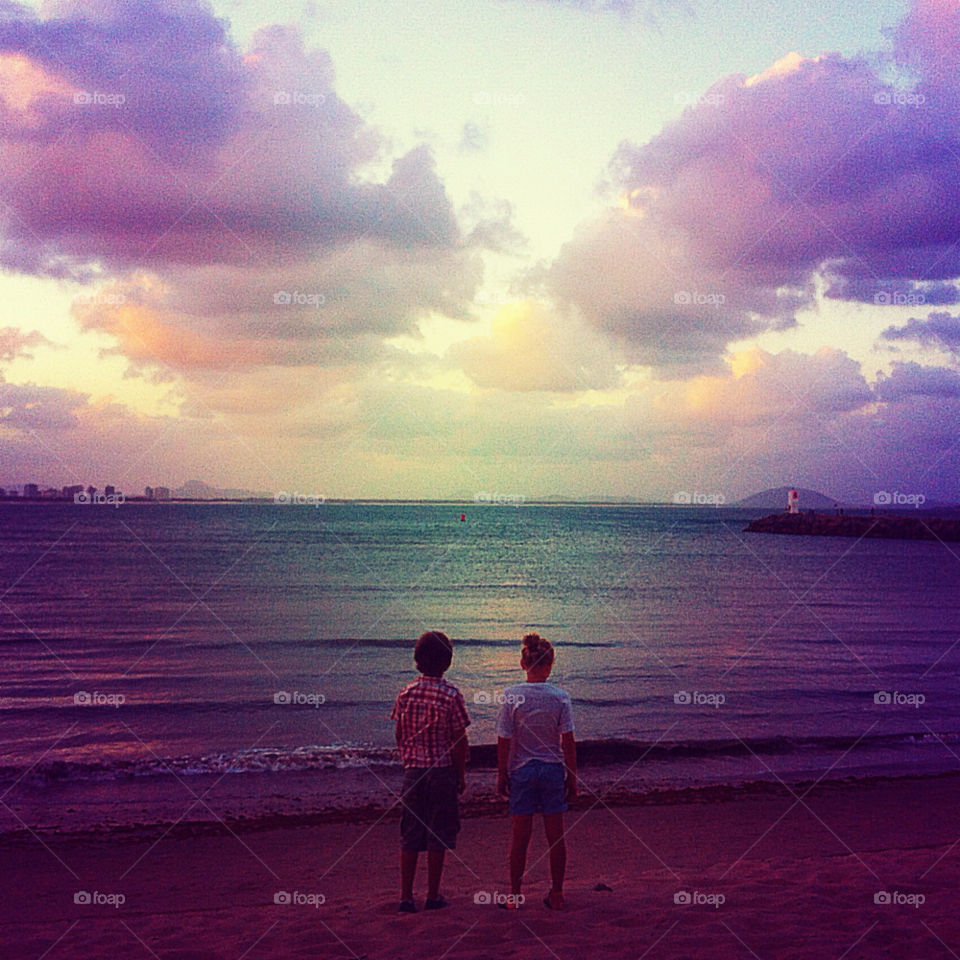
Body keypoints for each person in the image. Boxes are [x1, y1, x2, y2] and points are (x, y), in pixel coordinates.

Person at [391, 630, 470, 914]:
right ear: (447, 663)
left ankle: (406, 896)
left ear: (416, 661)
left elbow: (400, 732)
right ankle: (433, 894)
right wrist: (460, 774)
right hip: (441, 770)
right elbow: (460, 740)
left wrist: (407, 759)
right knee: (439, 832)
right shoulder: (451, 694)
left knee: (410, 833)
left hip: (414, 771)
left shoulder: (406, 693)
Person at [496, 633, 577, 911]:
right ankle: (556, 893)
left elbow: (504, 739)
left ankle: (515, 894)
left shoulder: (511, 695)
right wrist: (572, 777)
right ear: (550, 666)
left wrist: (501, 773)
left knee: (520, 837)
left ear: (522, 663)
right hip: (552, 770)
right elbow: (567, 741)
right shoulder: (560, 697)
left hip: (522, 771)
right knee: (556, 836)